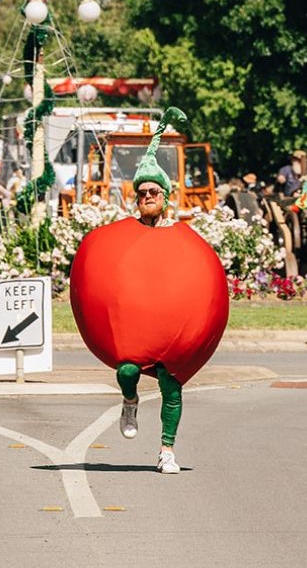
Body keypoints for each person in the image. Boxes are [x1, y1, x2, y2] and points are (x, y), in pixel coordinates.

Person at [115, 112, 186, 475]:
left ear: (164, 197)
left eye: (153, 192)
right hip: (136, 325)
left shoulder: (178, 234)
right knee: (126, 370)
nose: (147, 197)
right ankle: (130, 400)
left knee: (171, 383)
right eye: (141, 193)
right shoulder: (126, 232)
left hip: (169, 325)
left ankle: (166, 450)